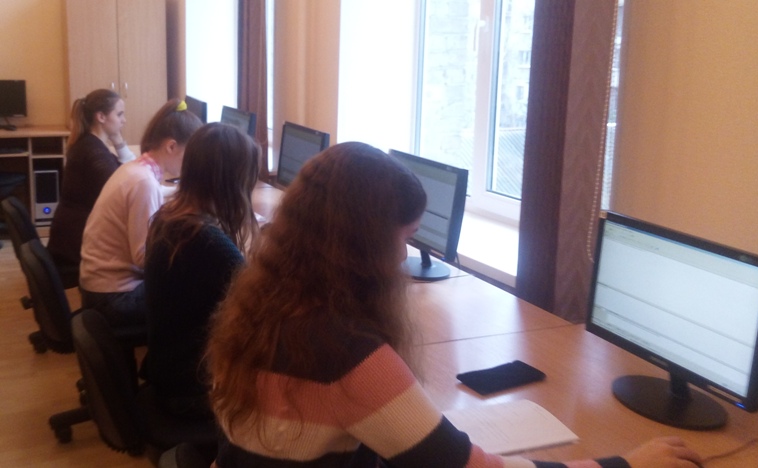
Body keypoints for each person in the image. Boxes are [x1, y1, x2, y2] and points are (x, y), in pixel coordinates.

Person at [204, 142, 703, 468]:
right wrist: (625, 463)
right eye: (403, 237)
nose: (400, 255)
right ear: (363, 244)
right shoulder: (345, 353)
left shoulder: (265, 304)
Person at [144, 123, 261, 420]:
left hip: (168, 368)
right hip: (193, 388)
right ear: (232, 181)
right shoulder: (206, 240)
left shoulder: (170, 218)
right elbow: (260, 307)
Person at [80, 98, 203, 328]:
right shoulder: (144, 183)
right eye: (190, 155)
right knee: (198, 297)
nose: (191, 163)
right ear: (171, 146)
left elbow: (154, 193)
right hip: (114, 298)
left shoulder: (136, 169)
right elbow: (145, 258)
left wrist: (183, 192)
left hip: (100, 287)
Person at [47, 89, 136, 285]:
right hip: (79, 243)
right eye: (119, 114)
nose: (124, 120)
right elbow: (130, 188)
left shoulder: (91, 144)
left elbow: (131, 174)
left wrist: (118, 141)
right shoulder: (93, 153)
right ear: (101, 117)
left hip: (73, 235)